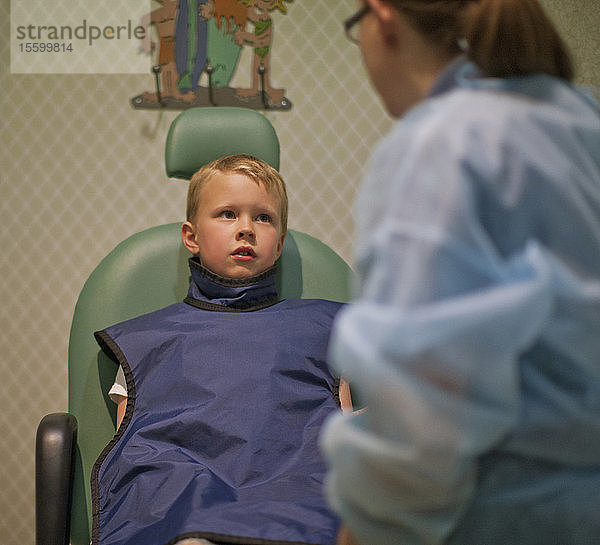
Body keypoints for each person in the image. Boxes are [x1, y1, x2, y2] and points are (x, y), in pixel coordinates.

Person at [320, 1, 600, 545]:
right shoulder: (580, 121)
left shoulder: (440, 144)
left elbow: (423, 409)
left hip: (496, 516)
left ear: (382, 18)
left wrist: (366, 525)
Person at [92, 154, 352, 545]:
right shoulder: (146, 340)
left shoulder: (325, 331)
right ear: (191, 236)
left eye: (263, 217)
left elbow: (342, 434)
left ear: (279, 244)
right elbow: (134, 459)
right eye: (228, 214)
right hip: (185, 513)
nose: (246, 228)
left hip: (299, 505)